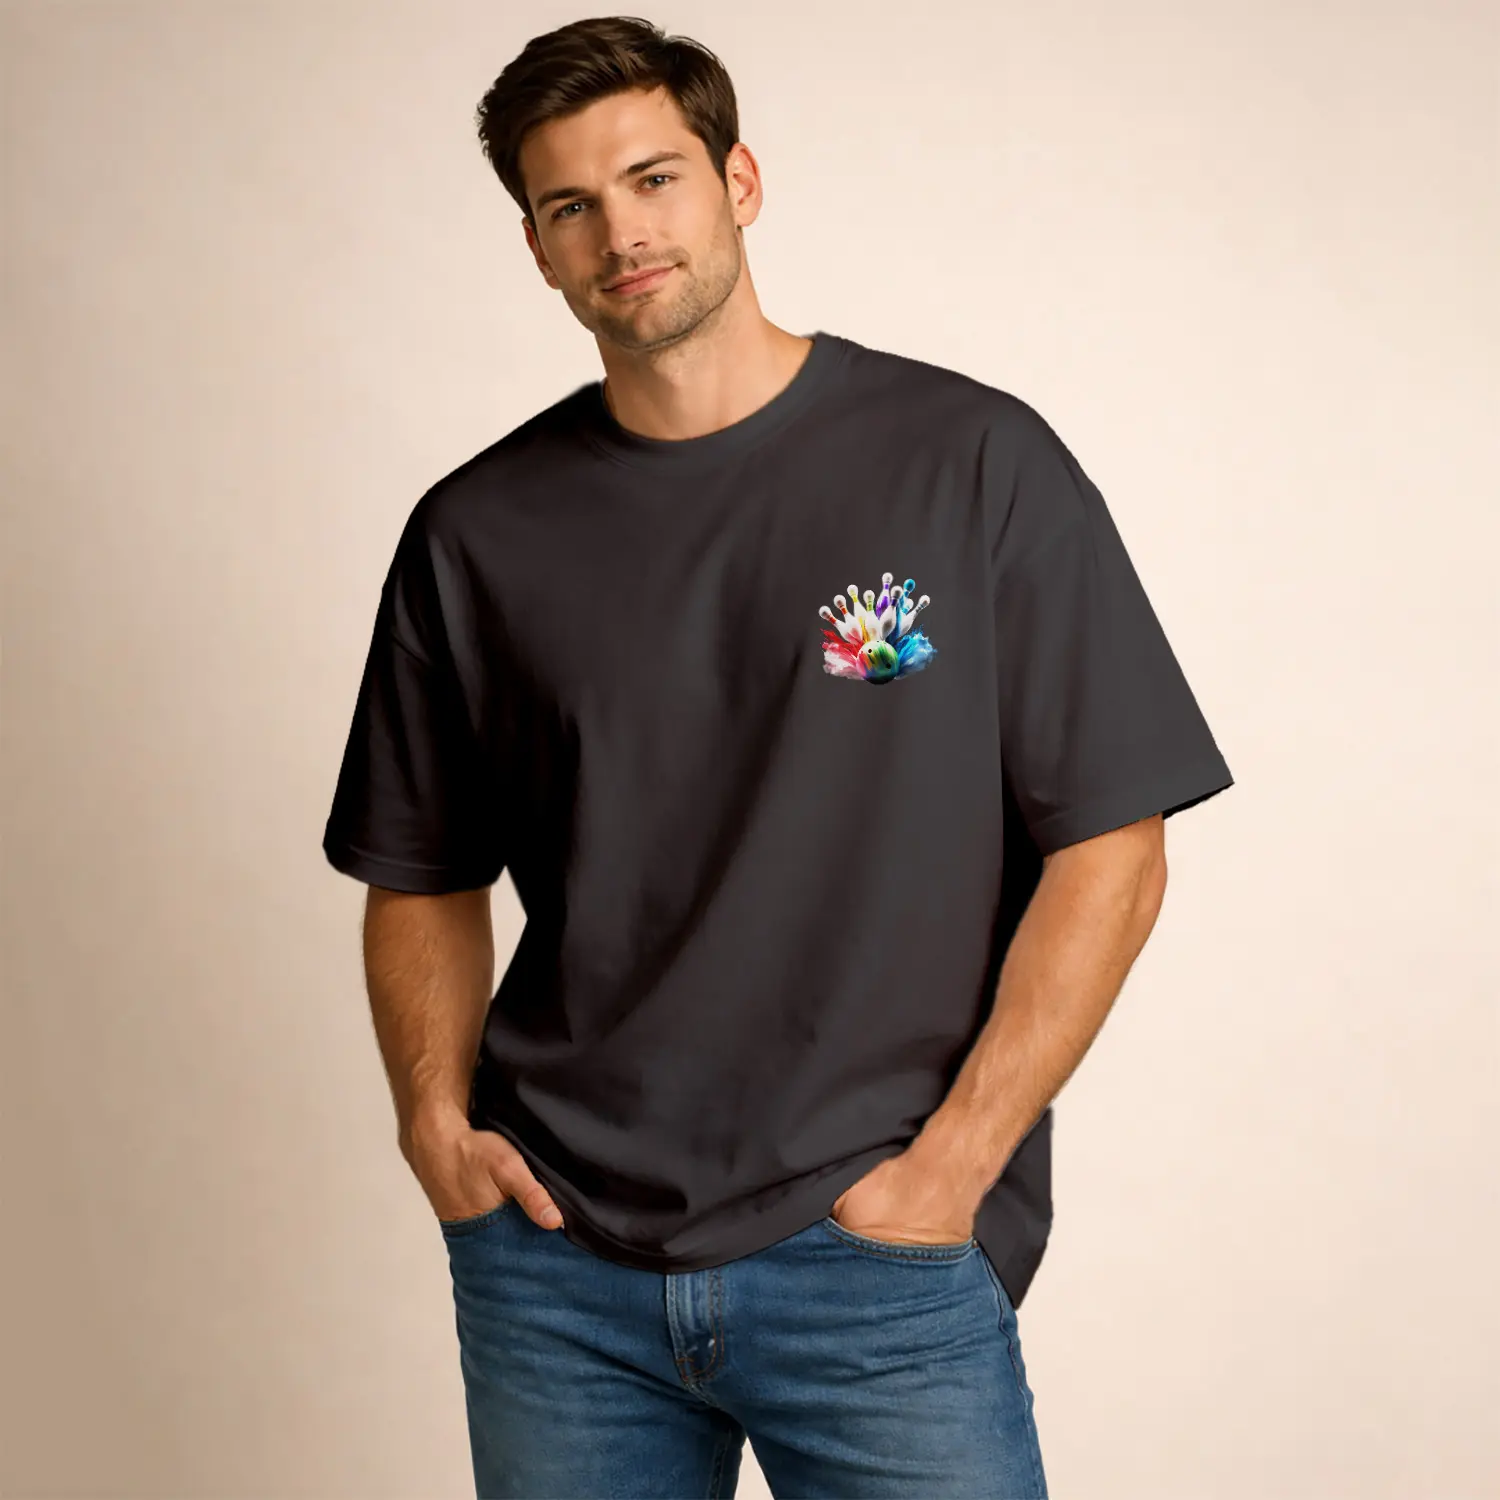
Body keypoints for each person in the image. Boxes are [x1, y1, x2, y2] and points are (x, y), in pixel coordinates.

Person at [321, 15, 1234, 1498]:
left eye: (654, 178)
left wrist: (956, 1165)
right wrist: (434, 1123)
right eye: (571, 205)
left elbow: (1114, 848)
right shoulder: (476, 533)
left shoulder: (969, 462)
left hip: (877, 1257)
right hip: (558, 1268)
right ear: (537, 250)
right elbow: (418, 868)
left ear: (739, 181)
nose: (623, 232)